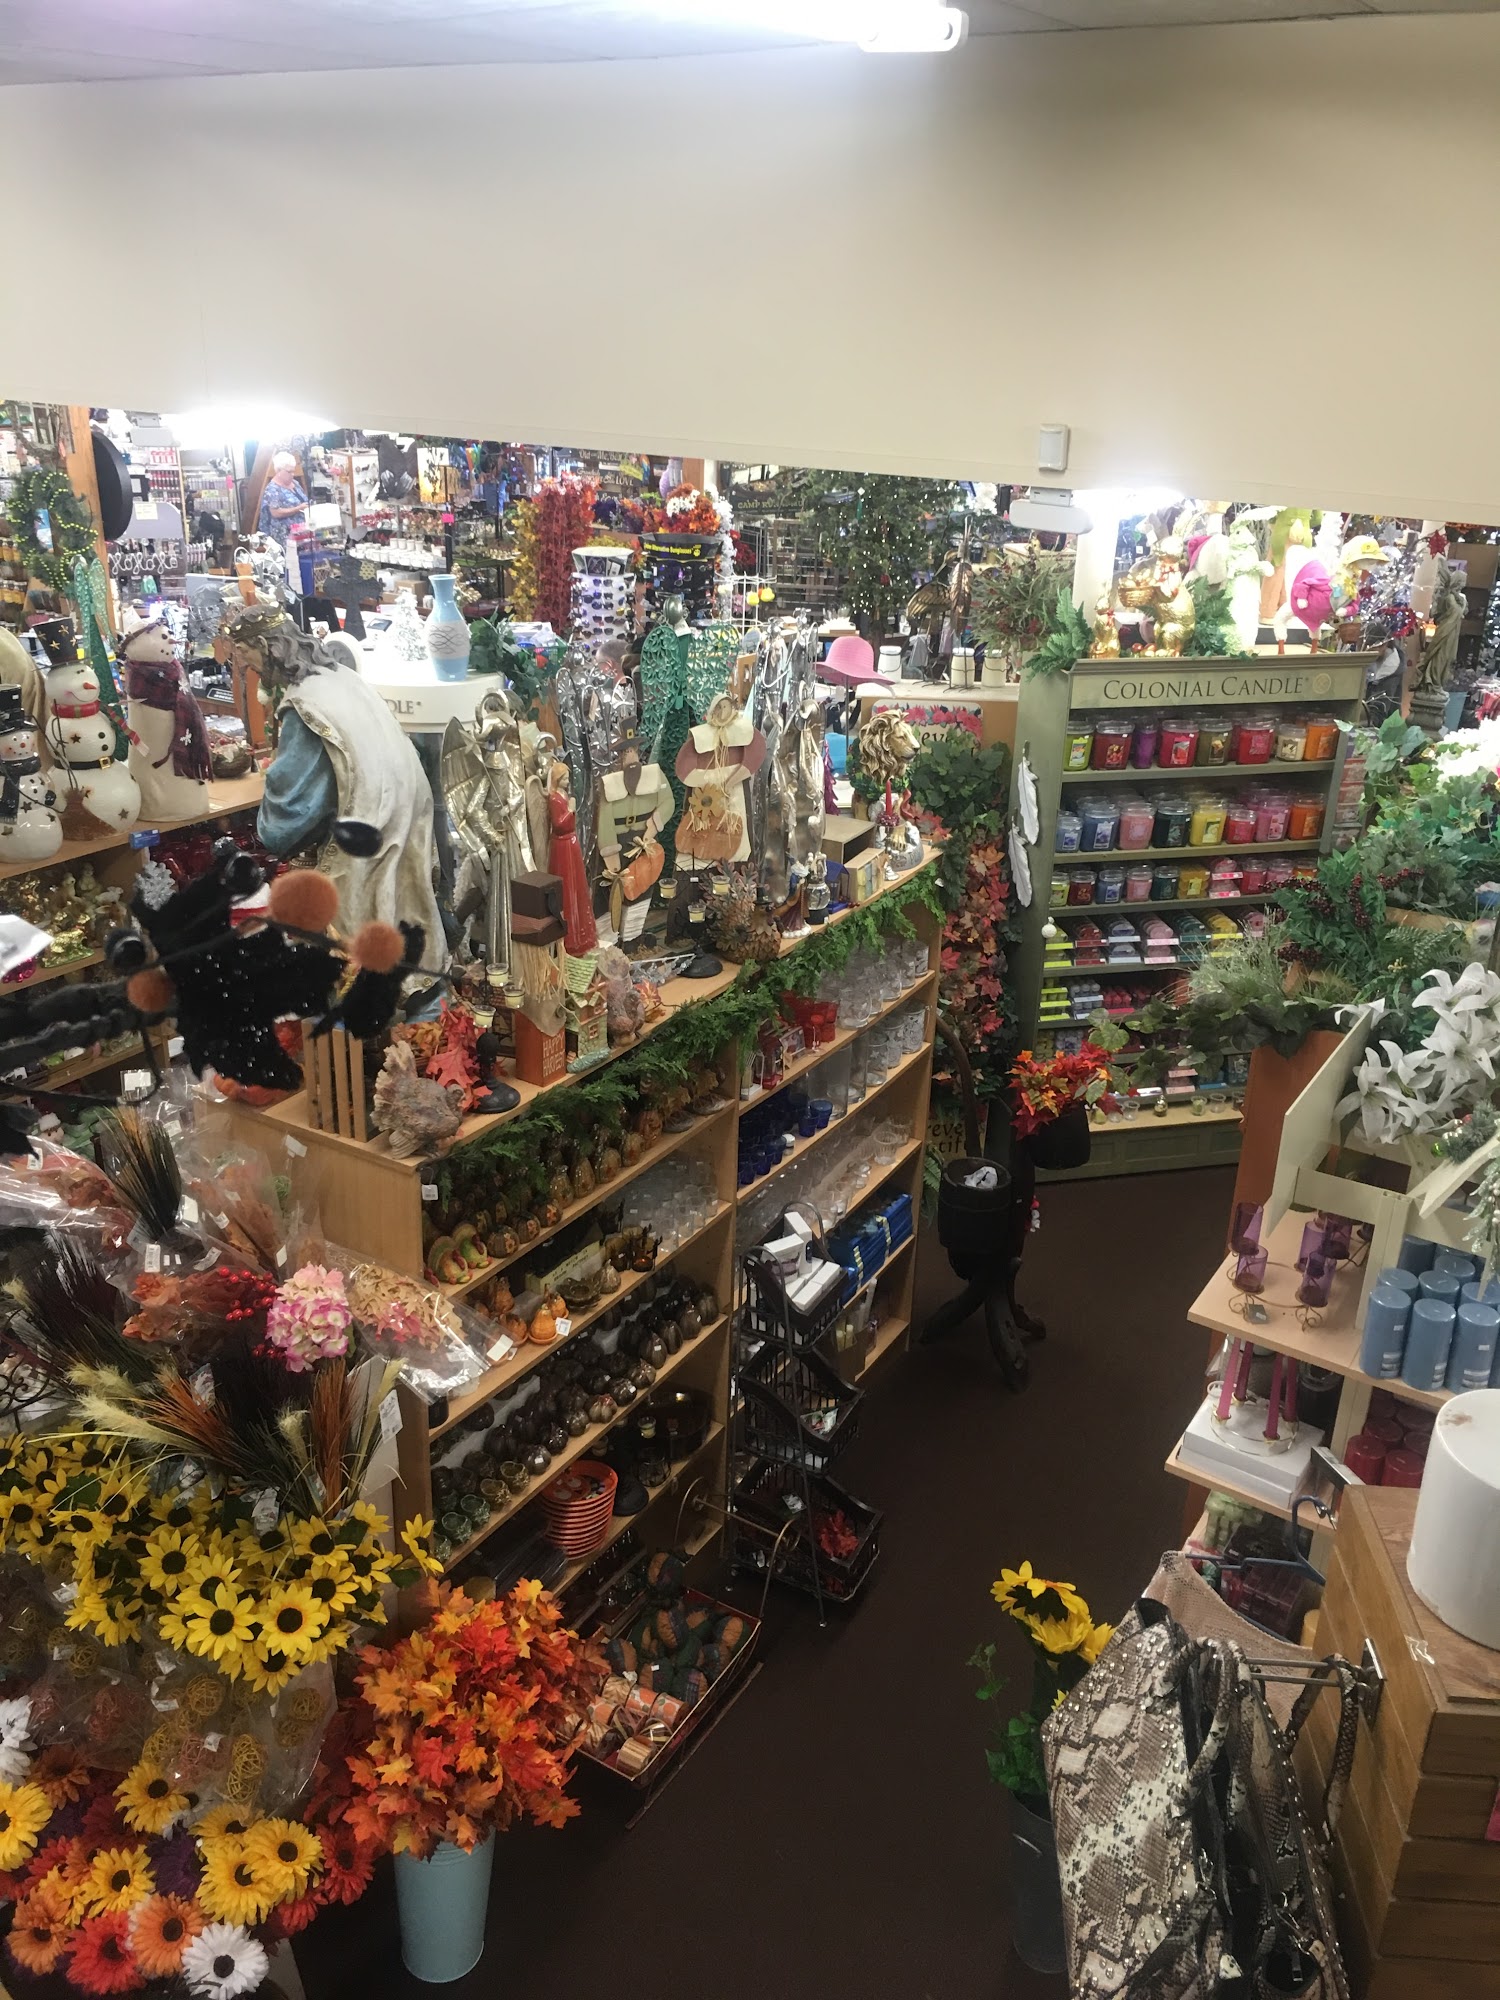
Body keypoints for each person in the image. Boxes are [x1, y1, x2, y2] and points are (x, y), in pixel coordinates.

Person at [257, 450, 308, 583]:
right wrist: (297, 509)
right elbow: (275, 512)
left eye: (293, 471)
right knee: (289, 572)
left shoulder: (295, 484)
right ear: (278, 470)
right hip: (283, 538)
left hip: (301, 536)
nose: (292, 474)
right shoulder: (272, 490)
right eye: (289, 472)